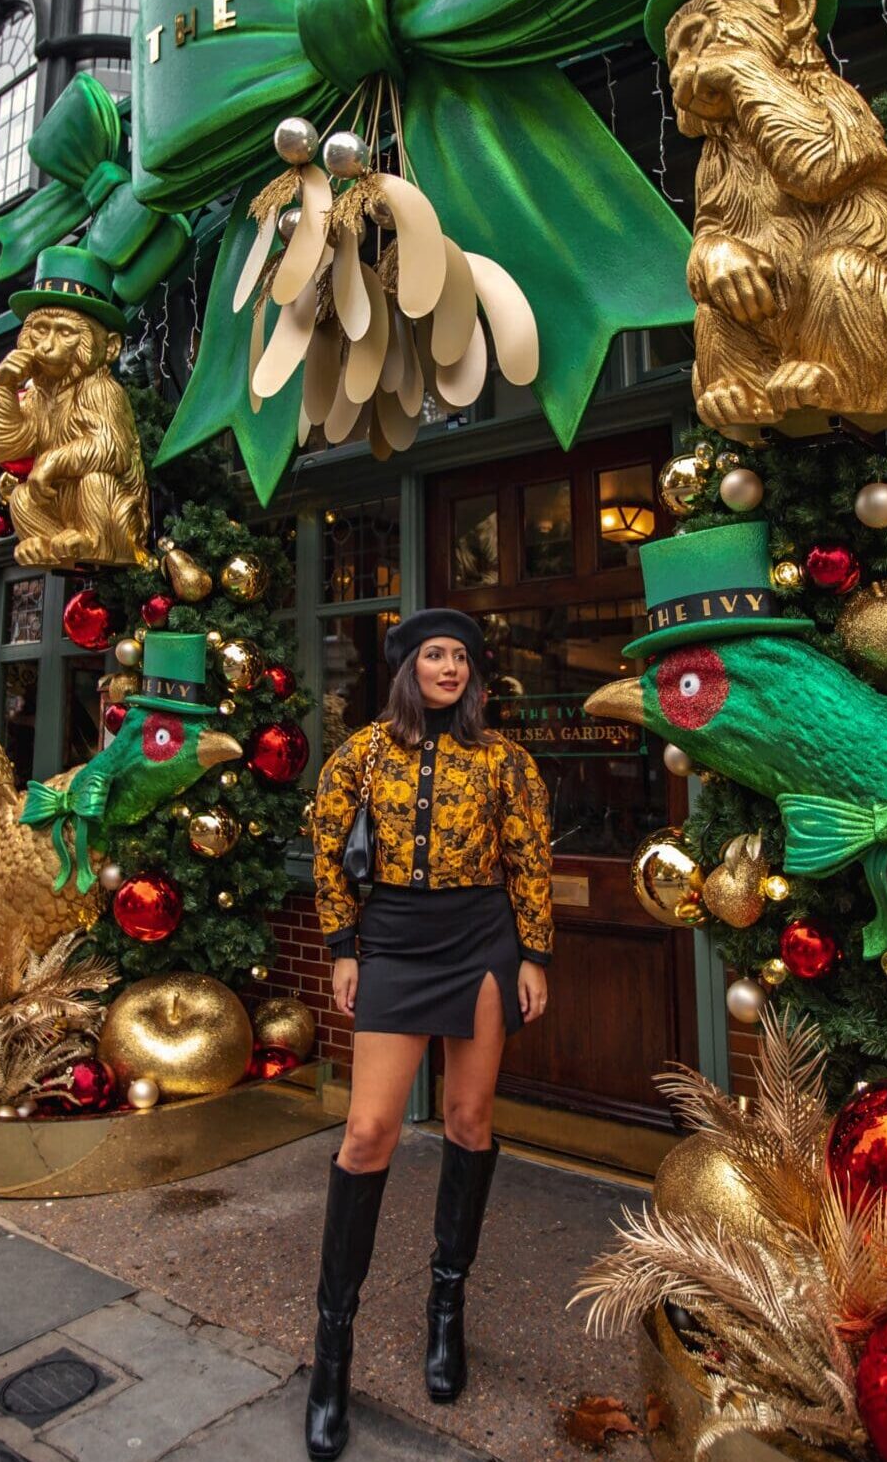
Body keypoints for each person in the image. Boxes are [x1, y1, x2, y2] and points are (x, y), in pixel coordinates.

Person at [305, 608, 553, 1460]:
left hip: (481, 940)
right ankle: (330, 1354)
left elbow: (528, 858)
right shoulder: (362, 752)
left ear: (475, 675)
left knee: (468, 1121)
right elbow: (328, 849)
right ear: (406, 668)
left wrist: (533, 954)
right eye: (432, 654)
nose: (448, 667)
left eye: (461, 657)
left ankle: (445, 1308)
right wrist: (343, 946)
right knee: (368, 1131)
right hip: (396, 943)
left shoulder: (505, 761)